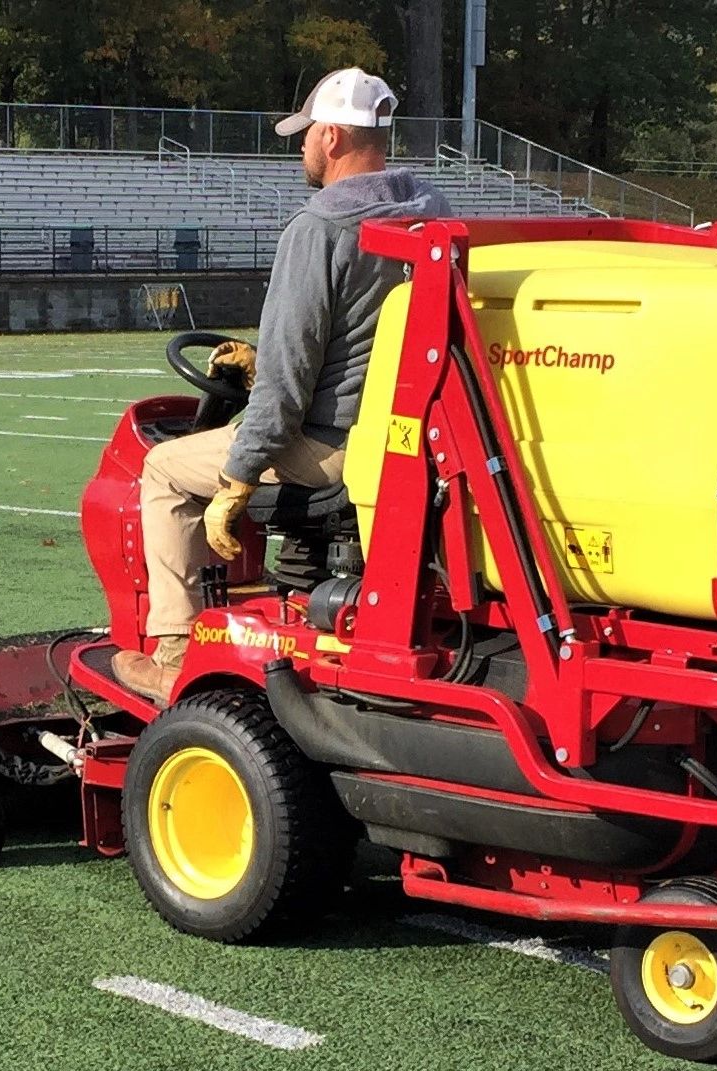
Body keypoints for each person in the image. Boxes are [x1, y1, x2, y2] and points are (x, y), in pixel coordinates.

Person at [113, 67, 451, 703]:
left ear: (330, 138)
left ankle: (173, 653)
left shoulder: (319, 229)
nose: (298, 149)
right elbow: (364, 335)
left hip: (331, 446)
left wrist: (240, 474)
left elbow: (285, 391)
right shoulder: (430, 211)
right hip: (411, 438)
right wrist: (262, 357)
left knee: (162, 469)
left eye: (303, 137)